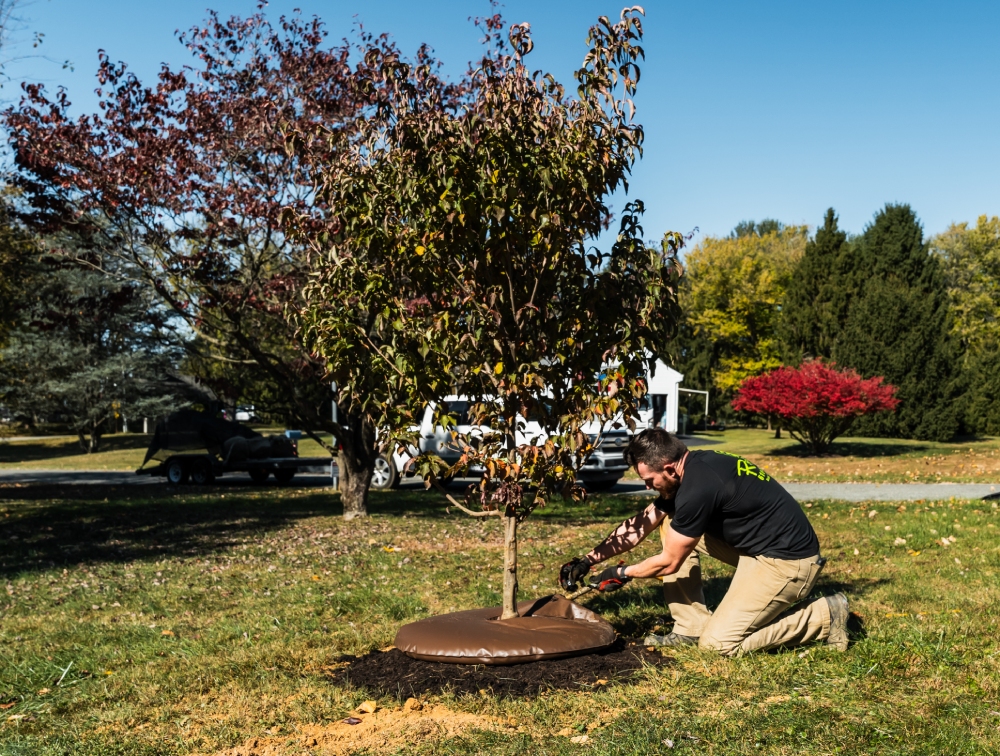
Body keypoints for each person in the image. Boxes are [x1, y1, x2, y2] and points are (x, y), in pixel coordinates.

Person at [559, 428, 849, 656]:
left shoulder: (697, 489)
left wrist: (620, 573)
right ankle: (690, 626)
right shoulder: (693, 469)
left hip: (788, 564)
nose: (647, 487)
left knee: (719, 645)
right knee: (669, 523)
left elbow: (670, 563)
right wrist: (588, 560)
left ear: (670, 468)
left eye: (649, 480)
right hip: (757, 549)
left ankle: (823, 614)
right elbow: (641, 524)